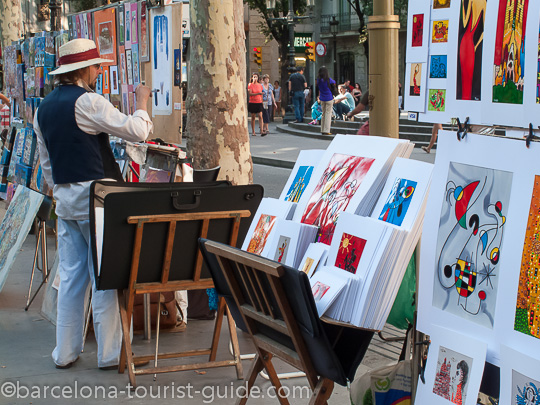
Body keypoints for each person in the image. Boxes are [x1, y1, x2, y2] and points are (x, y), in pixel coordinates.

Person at [33, 38, 153, 369]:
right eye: (97, 66)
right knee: (105, 275)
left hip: (67, 200)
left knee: (72, 277)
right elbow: (137, 130)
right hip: (97, 200)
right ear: (84, 69)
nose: (100, 71)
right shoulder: (88, 102)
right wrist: (142, 102)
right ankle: (110, 354)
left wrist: (61, 193)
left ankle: (65, 352)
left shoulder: (42, 110)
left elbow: (47, 165)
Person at [316, 66, 336, 135]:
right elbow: (334, 82)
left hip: (322, 98)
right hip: (329, 98)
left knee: (323, 114)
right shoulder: (328, 79)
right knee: (328, 114)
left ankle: (322, 129)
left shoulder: (318, 80)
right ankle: (326, 130)